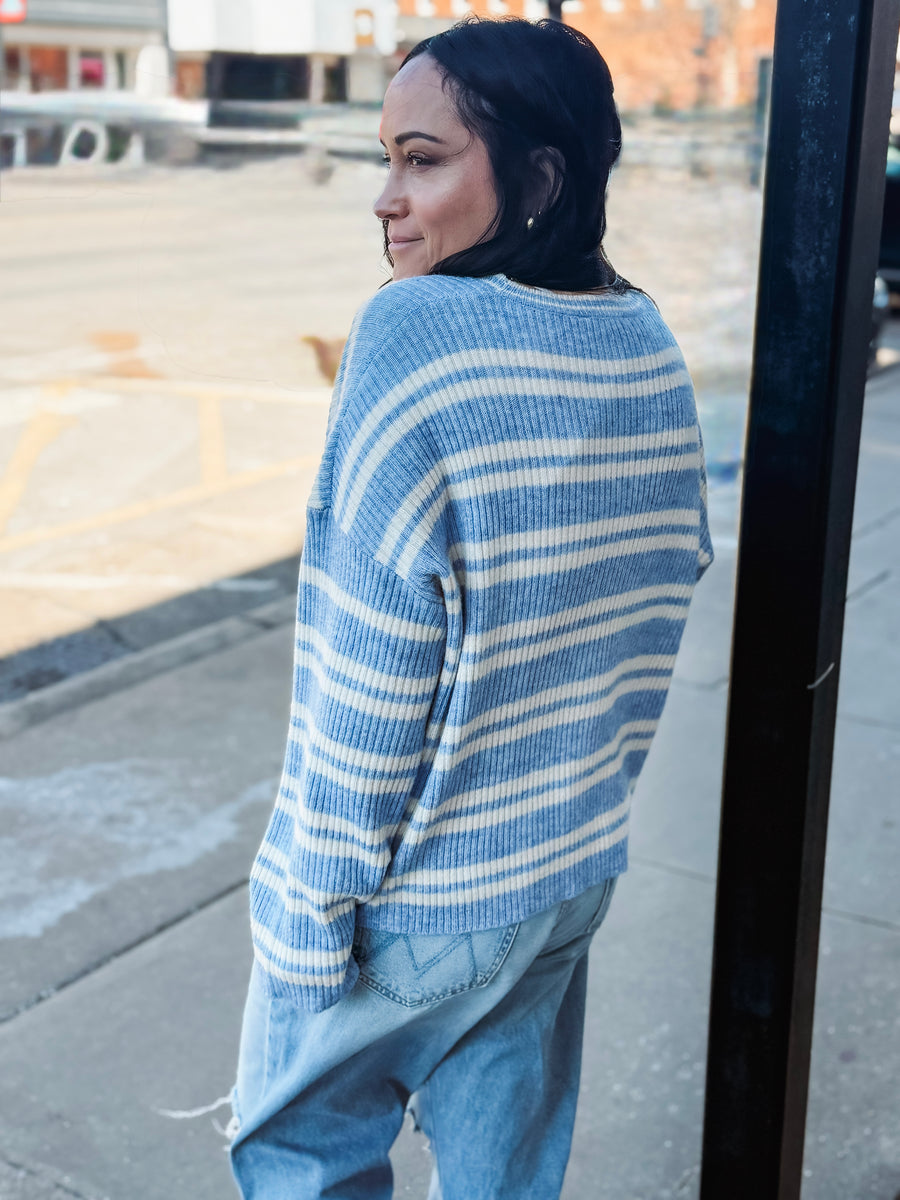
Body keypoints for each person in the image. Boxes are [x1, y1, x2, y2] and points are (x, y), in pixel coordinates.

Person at [228, 16, 712, 1200]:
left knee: (298, 1157)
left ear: (540, 177)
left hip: (422, 894)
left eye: (424, 159)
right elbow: (671, 571)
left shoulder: (415, 332)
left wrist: (307, 908)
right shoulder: (643, 338)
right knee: (502, 1184)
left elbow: (374, 663)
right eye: (384, 159)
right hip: (563, 874)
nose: (386, 200)